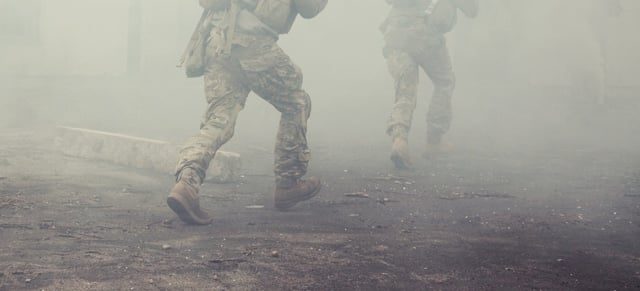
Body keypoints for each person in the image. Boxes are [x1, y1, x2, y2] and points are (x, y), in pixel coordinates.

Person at [168, 0, 328, 225]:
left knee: (218, 121)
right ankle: (288, 183)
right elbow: (309, 8)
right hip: (253, 44)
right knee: (297, 103)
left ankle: (186, 183)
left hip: (218, 43)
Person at [381, 0, 478, 169]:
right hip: (425, 34)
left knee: (405, 88)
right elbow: (471, 10)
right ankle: (434, 141)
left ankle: (399, 140)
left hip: (395, 34)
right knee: (444, 81)